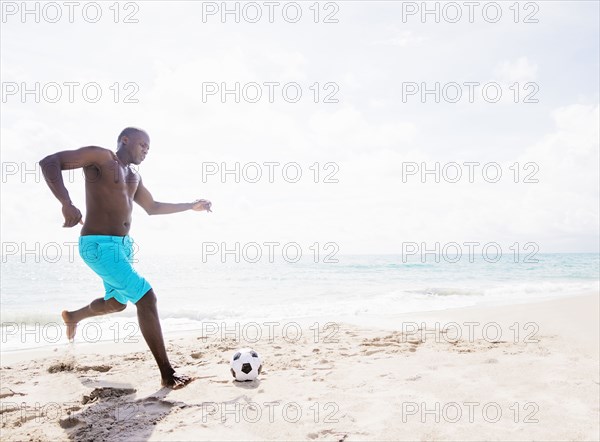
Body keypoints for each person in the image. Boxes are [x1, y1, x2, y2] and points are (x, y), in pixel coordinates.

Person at [39, 127, 211, 389]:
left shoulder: (133, 177)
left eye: (149, 148)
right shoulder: (101, 157)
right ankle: (167, 373)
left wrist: (190, 205)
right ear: (125, 140)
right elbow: (50, 162)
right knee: (146, 297)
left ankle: (73, 316)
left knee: (117, 303)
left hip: (123, 247)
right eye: (143, 145)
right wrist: (66, 202)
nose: (146, 151)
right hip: (98, 245)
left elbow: (152, 208)